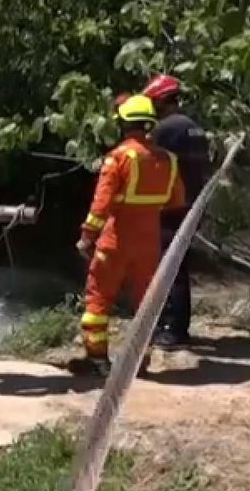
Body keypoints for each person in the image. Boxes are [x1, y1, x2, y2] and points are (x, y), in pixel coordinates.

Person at [69, 94, 187, 377]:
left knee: (98, 300)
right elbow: (176, 200)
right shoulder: (168, 160)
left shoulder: (118, 158)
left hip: (115, 240)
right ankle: (139, 361)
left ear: (122, 124)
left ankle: (97, 359)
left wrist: (87, 236)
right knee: (145, 303)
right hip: (149, 243)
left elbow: (100, 205)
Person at [145, 73, 211, 348]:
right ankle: (173, 326)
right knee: (177, 265)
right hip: (192, 203)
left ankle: (173, 330)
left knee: (170, 268)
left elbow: (144, 156)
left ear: (160, 102)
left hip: (174, 206)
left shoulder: (167, 128)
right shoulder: (193, 126)